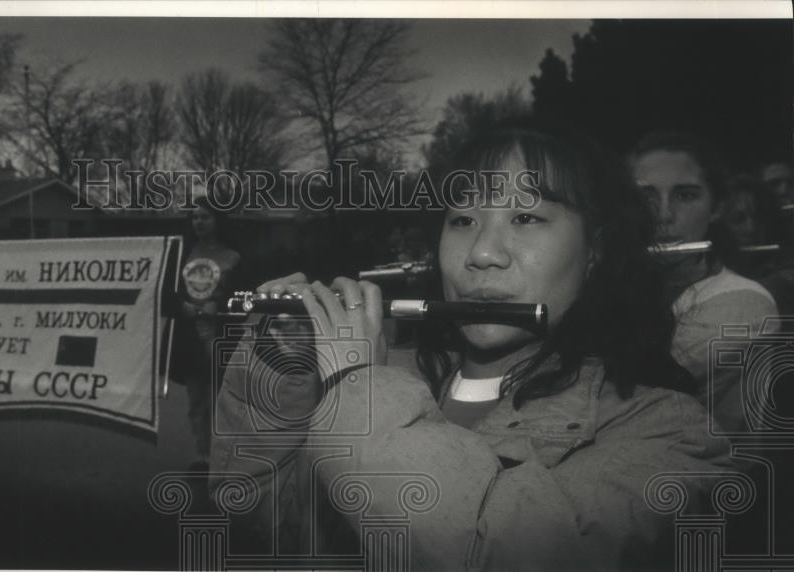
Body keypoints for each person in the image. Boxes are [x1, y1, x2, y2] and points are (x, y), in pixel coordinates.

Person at [210, 121, 733, 570]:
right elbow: (266, 515)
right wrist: (287, 370)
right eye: (462, 220)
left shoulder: (669, 432)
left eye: (526, 218)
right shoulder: (396, 376)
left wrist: (358, 389)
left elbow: (494, 554)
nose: (481, 253)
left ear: (596, 250)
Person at [629, 132, 779, 433]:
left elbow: (630, 392)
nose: (664, 214)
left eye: (685, 195)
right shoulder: (631, 286)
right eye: (646, 197)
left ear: (718, 207)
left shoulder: (745, 304)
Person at [174, 196, 241, 472]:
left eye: (205, 216)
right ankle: (202, 454)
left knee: (223, 397)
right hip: (190, 335)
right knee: (197, 397)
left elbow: (244, 294)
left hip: (221, 334)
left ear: (218, 220)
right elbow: (168, 291)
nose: (198, 222)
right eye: (194, 217)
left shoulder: (234, 256)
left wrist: (221, 304)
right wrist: (182, 305)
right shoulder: (182, 253)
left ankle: (224, 455)